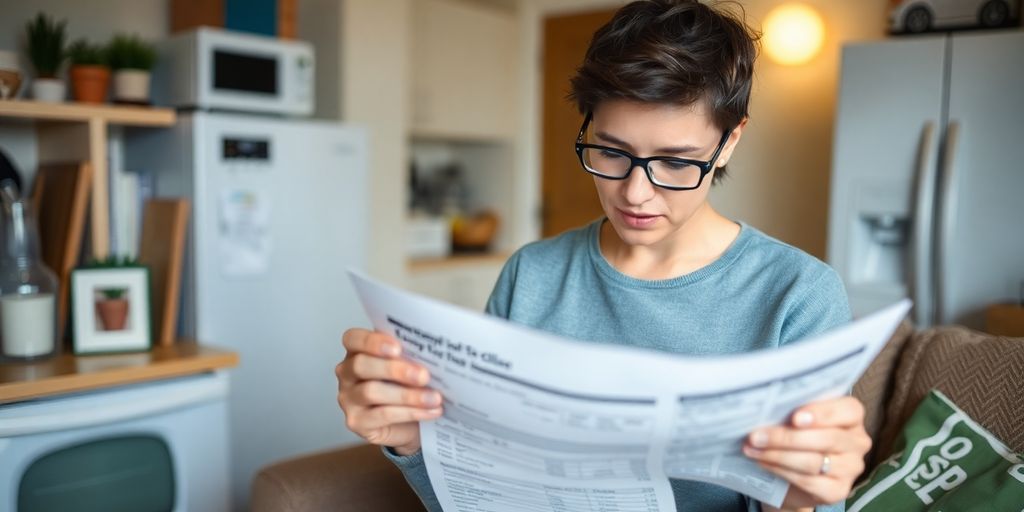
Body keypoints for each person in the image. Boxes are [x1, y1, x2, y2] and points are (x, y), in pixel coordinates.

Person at [335, 1, 870, 510]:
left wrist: (799, 499)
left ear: (729, 141)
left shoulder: (798, 295)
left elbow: (811, 494)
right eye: (612, 152)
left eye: (675, 162)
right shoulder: (532, 274)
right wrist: (408, 439)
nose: (636, 193)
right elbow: (480, 491)